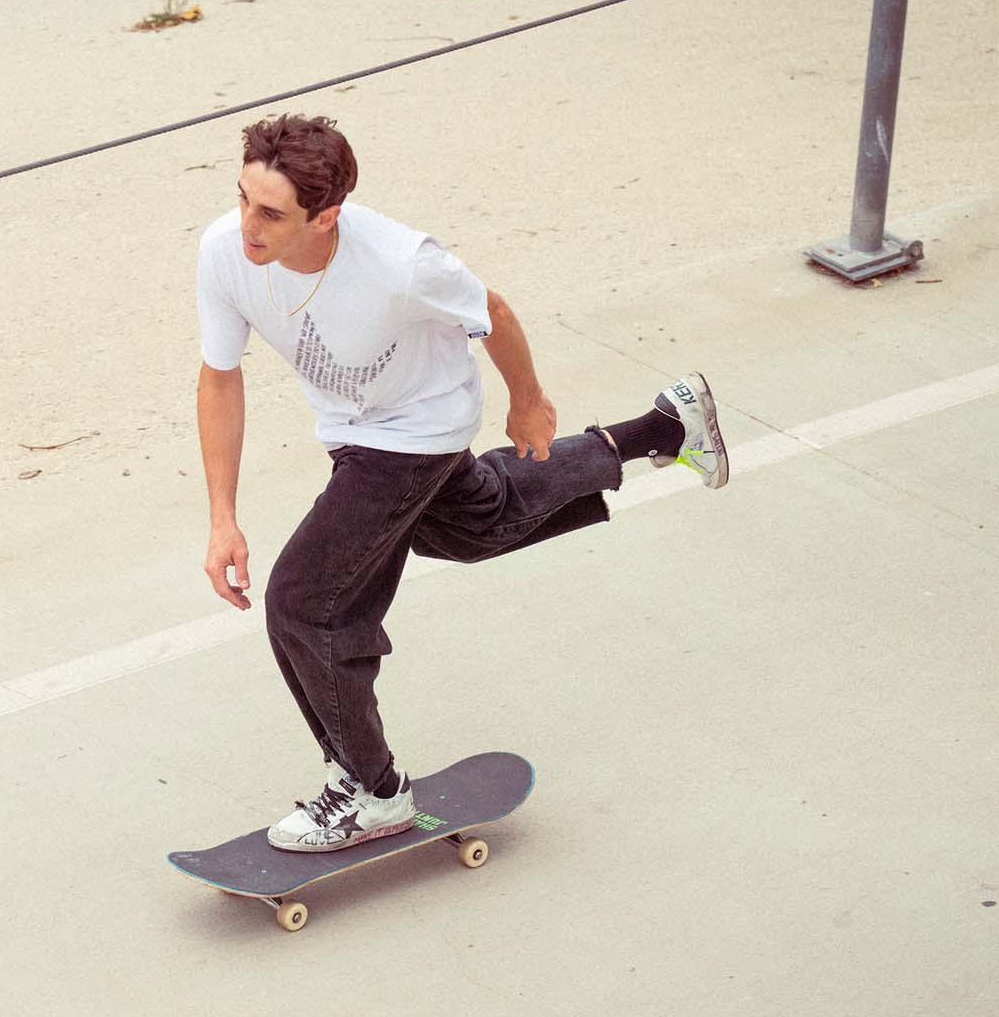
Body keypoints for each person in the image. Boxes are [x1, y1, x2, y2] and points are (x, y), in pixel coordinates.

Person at [196, 115, 727, 853]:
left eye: (270, 213)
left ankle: (373, 791)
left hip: (417, 430)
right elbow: (220, 379)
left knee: (307, 602)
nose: (247, 224)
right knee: (475, 526)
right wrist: (222, 516)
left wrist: (529, 399)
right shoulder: (226, 252)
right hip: (355, 428)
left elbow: (494, 311)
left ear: (326, 217)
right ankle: (664, 428)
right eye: (244, 199)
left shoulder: (404, 263)